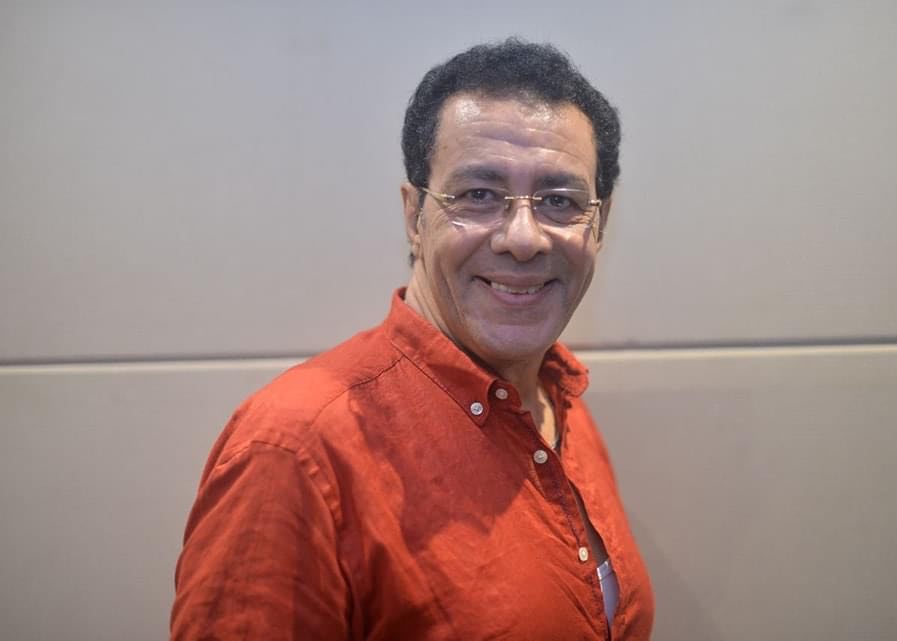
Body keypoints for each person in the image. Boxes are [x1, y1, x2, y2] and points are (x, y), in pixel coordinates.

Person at [171, 39, 654, 640]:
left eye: (560, 201)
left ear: (598, 224)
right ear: (413, 216)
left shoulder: (562, 403)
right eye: (479, 195)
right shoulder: (295, 449)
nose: (523, 238)